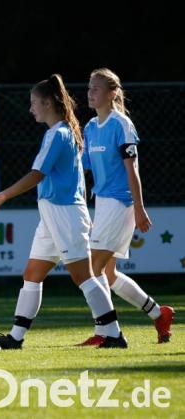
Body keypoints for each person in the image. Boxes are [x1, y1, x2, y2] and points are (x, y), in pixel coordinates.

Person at [0, 74, 127, 349]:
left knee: (82, 276)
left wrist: (2, 195)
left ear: (48, 103)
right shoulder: (61, 131)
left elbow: (37, 174)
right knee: (32, 274)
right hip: (53, 214)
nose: (31, 109)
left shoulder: (58, 133)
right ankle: (16, 338)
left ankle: (114, 334)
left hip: (65, 213)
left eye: (34, 103)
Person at [77, 68, 173, 345]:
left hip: (121, 204)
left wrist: (140, 208)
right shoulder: (90, 127)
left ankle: (107, 332)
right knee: (108, 273)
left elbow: (133, 171)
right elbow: (83, 169)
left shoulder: (121, 124)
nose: (90, 93)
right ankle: (158, 313)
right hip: (103, 204)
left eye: (96, 88)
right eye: (89, 88)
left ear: (113, 93)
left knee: (91, 270)